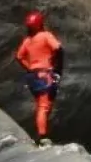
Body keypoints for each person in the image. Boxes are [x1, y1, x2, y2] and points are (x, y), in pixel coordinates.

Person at [15, 10, 64, 147]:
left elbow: (19, 56)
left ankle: (43, 133)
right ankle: (43, 137)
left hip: (32, 76)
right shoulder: (45, 35)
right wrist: (58, 69)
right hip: (45, 74)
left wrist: (29, 67)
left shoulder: (27, 41)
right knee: (44, 106)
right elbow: (58, 49)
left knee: (43, 105)